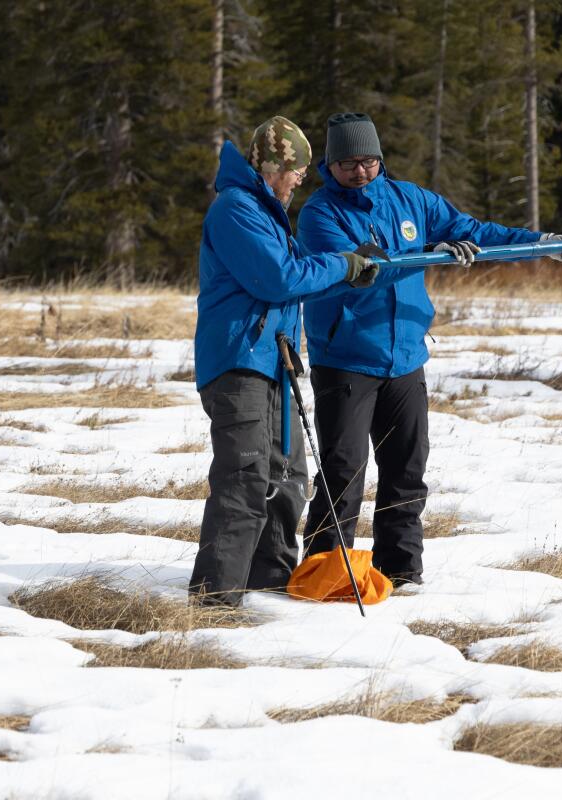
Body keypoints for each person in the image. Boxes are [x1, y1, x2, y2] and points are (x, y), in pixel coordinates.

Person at [296, 111, 562, 587]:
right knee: (343, 474)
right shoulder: (319, 215)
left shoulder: (410, 199)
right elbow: (362, 270)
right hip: (347, 359)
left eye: (368, 161)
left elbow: (477, 230)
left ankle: (401, 571)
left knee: (406, 471)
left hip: (406, 359)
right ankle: (323, 571)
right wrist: (436, 254)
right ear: (329, 166)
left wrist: (543, 244)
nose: (360, 172)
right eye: (348, 163)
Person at [190, 116, 380, 607]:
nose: (301, 179)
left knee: (288, 475)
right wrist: (344, 265)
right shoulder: (237, 210)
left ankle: (270, 583)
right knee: (245, 476)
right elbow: (278, 278)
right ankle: (215, 598)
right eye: (296, 170)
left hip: (275, 362)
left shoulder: (266, 209)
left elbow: (297, 274)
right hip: (239, 364)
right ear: (274, 165)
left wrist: (350, 272)